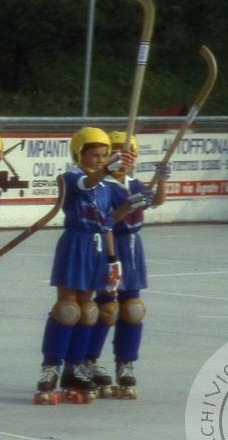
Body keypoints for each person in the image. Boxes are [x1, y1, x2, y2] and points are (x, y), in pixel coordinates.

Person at [34, 127, 134, 405]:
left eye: (104, 156)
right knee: (68, 308)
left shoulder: (108, 185)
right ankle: (51, 365)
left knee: (88, 309)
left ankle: (75, 365)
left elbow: (110, 219)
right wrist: (108, 170)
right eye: (94, 155)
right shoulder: (71, 177)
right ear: (80, 154)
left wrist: (133, 203)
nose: (100, 160)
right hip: (76, 242)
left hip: (98, 246)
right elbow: (85, 184)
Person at [85, 132, 164, 399]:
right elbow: (106, 219)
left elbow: (156, 200)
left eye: (129, 153)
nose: (125, 158)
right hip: (111, 245)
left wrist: (161, 180)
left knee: (132, 308)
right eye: (119, 152)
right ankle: (89, 360)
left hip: (132, 247)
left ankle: (125, 362)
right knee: (106, 307)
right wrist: (128, 207)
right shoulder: (103, 185)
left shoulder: (134, 183)